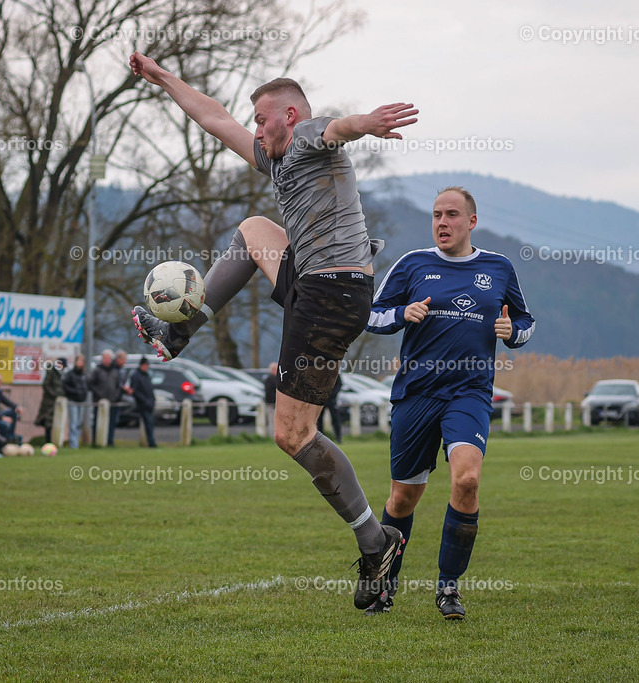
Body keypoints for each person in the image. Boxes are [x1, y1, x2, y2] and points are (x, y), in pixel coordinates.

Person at [128, 52, 416, 608]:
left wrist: (369, 122)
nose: (256, 129)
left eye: (263, 119)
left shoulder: (307, 136)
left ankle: (376, 541)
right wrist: (163, 77)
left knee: (292, 435)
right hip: (317, 284)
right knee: (255, 228)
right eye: (255, 122)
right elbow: (215, 120)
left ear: (288, 115)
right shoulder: (275, 158)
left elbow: (339, 126)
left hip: (331, 297)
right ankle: (179, 330)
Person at [364, 187, 536, 619]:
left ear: (471, 222)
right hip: (416, 394)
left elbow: (526, 320)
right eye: (437, 214)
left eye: (452, 215)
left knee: (467, 481)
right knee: (403, 498)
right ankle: (384, 584)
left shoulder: (498, 267)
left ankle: (448, 588)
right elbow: (369, 313)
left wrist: (511, 331)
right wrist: (403, 314)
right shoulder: (413, 264)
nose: (443, 222)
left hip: (469, 393)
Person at [88, 349, 121, 446]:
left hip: (112, 402)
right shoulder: (97, 371)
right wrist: (99, 395)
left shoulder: (115, 371)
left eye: (109, 358)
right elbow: (90, 384)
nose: (107, 360)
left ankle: (109, 441)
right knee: (97, 422)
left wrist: (115, 396)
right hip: (99, 402)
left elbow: (118, 386)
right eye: (105, 358)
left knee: (111, 423)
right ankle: (96, 441)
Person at [35, 358, 65, 443]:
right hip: (49, 402)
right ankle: (48, 441)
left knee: (55, 422)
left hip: (58, 402)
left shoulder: (61, 374)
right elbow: (46, 384)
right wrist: (54, 395)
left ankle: (54, 441)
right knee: (48, 422)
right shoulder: (51, 371)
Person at [130, 356, 157, 448]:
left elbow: (150, 390)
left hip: (149, 403)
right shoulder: (136, 376)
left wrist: (152, 400)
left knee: (150, 423)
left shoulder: (146, 375)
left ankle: (151, 441)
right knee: (148, 423)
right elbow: (135, 391)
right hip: (143, 404)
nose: (147, 367)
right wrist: (145, 401)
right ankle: (151, 442)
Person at [63, 354, 88, 448]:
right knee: (73, 423)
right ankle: (74, 445)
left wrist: (83, 394)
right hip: (73, 400)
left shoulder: (84, 375)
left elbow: (86, 387)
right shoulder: (70, 374)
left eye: (82, 361)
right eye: (78, 361)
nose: (80, 363)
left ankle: (76, 441)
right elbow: (65, 387)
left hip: (81, 401)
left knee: (78, 423)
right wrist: (75, 392)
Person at [0, 373, 21, 443]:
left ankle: (11, 436)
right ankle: (5, 440)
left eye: (0, 381)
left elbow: (7, 402)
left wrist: (17, 407)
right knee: (5, 424)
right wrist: (2, 418)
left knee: (13, 412)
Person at [316, 376, 343, 444]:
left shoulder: (334, 373)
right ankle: (321, 438)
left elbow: (339, 384)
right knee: (319, 420)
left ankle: (338, 437)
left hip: (332, 400)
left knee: (335, 419)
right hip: (322, 399)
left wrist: (333, 395)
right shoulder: (320, 373)